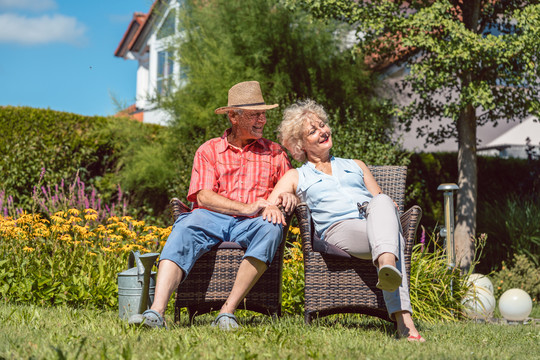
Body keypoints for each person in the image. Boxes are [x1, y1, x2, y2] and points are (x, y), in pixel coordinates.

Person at [129, 81, 296, 330]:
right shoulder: (209, 150)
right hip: (211, 218)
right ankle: (156, 312)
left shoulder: (275, 153)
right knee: (184, 227)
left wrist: (287, 196)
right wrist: (245, 207)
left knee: (271, 229)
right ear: (233, 117)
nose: (262, 120)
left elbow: (290, 184)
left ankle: (227, 312)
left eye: (264, 114)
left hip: (254, 223)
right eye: (255, 114)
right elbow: (203, 196)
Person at [262, 99, 425, 342]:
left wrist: (385, 204)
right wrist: (287, 196)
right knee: (392, 237)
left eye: (323, 125)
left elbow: (381, 200)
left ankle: (388, 268)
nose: (323, 131)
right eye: (313, 130)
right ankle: (403, 317)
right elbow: (269, 205)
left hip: (374, 223)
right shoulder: (297, 175)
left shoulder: (356, 165)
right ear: (300, 144)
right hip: (339, 231)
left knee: (381, 201)